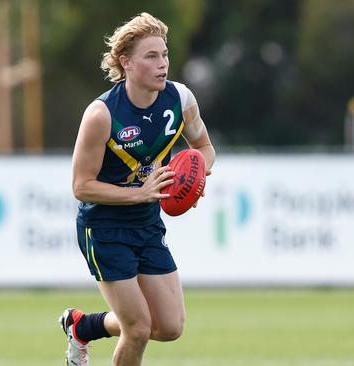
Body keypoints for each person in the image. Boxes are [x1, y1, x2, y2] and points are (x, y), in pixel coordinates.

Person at [60, 12, 215, 366]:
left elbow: (205, 148)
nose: (163, 64)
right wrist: (139, 193)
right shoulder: (101, 114)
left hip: (146, 223)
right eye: (151, 56)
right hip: (104, 228)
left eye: (164, 54)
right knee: (139, 328)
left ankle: (83, 326)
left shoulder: (181, 99)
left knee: (170, 326)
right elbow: (81, 186)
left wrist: (195, 175)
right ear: (125, 62)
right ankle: (90, 333)